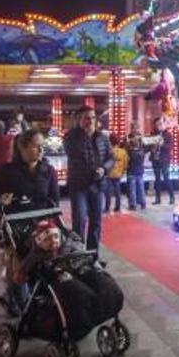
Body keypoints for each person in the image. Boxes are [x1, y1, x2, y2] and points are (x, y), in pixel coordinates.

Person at [0, 129, 60, 316]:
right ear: (22, 147)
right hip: (14, 227)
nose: (41, 150)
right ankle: (23, 306)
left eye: (42, 147)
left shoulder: (48, 170)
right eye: (37, 146)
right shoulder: (8, 171)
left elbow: (54, 202)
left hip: (41, 227)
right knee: (18, 264)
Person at [63, 106, 113, 255]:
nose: (90, 121)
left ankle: (93, 255)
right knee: (79, 222)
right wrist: (86, 134)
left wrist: (103, 169)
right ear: (79, 119)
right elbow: (77, 154)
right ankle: (79, 256)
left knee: (96, 222)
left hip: (97, 185)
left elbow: (110, 158)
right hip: (79, 186)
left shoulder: (103, 137)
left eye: (92, 118)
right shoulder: (71, 137)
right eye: (86, 118)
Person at [149, 117, 175, 205]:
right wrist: (150, 146)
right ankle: (157, 198)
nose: (158, 126)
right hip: (155, 159)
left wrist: (162, 144)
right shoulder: (153, 134)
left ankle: (172, 197)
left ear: (163, 124)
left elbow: (170, 147)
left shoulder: (168, 134)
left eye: (160, 124)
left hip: (164, 160)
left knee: (166, 178)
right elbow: (149, 146)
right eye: (156, 125)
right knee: (157, 180)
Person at [105, 133, 128, 214]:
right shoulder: (123, 152)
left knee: (108, 192)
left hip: (109, 173)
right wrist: (123, 171)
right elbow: (125, 163)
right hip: (118, 173)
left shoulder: (109, 151)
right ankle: (117, 207)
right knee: (118, 191)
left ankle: (107, 207)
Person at [126, 125, 146, 211]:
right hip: (140, 171)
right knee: (141, 188)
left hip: (131, 172)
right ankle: (143, 203)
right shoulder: (141, 152)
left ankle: (133, 204)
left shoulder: (129, 152)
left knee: (132, 189)